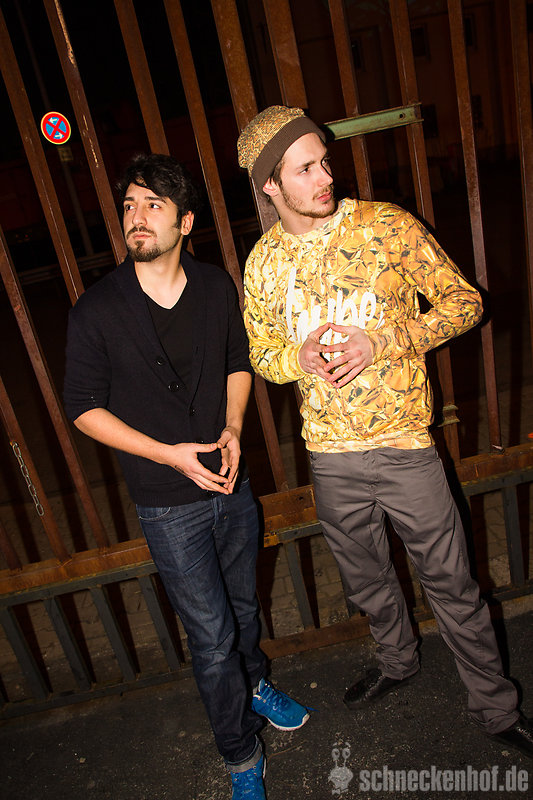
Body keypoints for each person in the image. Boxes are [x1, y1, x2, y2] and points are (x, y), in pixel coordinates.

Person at [237, 105, 533, 759]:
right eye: (305, 168)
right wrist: (297, 357)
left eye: (324, 161)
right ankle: (398, 661)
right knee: (366, 580)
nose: (325, 176)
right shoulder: (262, 265)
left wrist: (385, 341)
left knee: (452, 584)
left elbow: (465, 302)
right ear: (270, 185)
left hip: (405, 448)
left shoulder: (386, 226)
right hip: (329, 458)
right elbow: (261, 354)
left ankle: (496, 708)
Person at [63, 153, 309, 800]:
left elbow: (237, 361)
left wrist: (233, 428)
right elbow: (82, 408)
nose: (136, 218)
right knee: (211, 636)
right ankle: (239, 754)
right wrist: (167, 454)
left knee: (244, 608)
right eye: (129, 206)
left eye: (153, 205)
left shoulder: (214, 287)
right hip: (168, 503)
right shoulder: (97, 310)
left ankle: (253, 684)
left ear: (186, 221)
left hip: (232, 484)